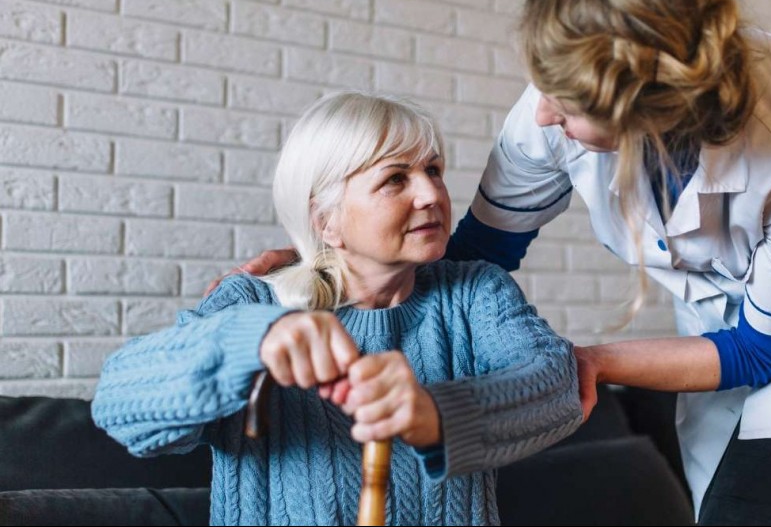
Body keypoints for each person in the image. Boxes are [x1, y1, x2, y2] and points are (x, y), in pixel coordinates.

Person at [213, 0, 771, 524]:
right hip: (731, 282)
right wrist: (318, 272)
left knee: (753, 502)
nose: (544, 114)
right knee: (709, 476)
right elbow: (478, 254)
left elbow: (759, 349)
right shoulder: (552, 100)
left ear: (644, 113)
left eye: (564, 104)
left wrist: (590, 360)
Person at [92, 92, 582, 526]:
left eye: (432, 169)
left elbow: (557, 383)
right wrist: (247, 343)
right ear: (326, 221)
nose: (432, 194)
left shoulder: (474, 292)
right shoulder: (253, 302)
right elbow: (119, 406)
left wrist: (435, 412)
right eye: (395, 179)